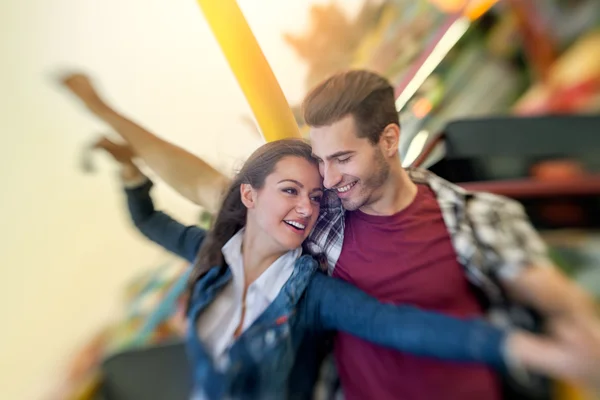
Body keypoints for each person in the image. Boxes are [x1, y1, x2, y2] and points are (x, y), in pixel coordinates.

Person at [61, 73, 600, 399]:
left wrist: (549, 351)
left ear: (388, 141)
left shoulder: (476, 217)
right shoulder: (315, 225)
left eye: (341, 158)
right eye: (321, 161)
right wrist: (110, 123)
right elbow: (192, 189)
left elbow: (562, 309)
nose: (328, 178)